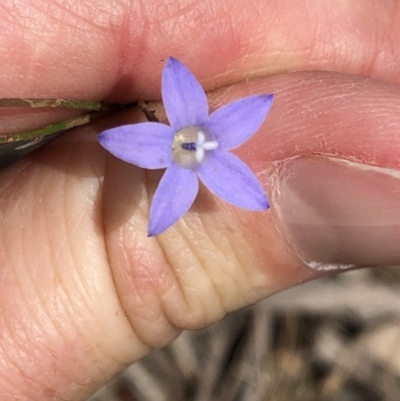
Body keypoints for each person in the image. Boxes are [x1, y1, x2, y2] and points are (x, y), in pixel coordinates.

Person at [1, 1, 400, 400]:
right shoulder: (171, 110)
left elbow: (248, 170)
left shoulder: (218, 147)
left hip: (190, 156)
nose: (191, 141)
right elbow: (159, 91)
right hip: (165, 144)